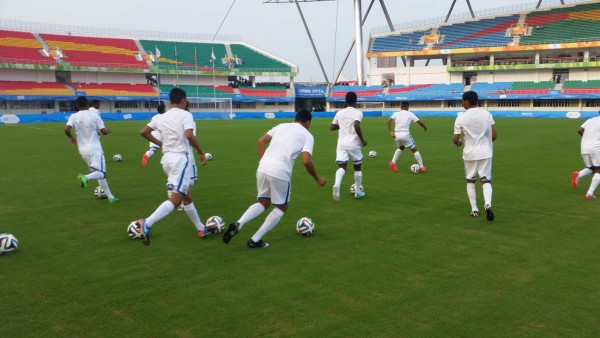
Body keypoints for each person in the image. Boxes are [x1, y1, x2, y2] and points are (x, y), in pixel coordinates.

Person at [222, 108, 326, 248]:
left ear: (296, 118)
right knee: (282, 206)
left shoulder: (280, 126)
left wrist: (263, 162)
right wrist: (317, 178)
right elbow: (306, 161)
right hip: (280, 171)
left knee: (264, 202)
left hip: (263, 167)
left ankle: (239, 223)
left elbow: (260, 141)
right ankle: (255, 239)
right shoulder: (308, 135)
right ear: (308, 122)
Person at [134, 88, 209, 245]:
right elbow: (189, 135)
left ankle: (201, 228)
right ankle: (146, 223)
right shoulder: (186, 115)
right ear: (183, 100)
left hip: (166, 159)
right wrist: (201, 152)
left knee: (186, 195)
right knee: (176, 200)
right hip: (180, 160)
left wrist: (161, 144)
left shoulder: (161, 117)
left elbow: (144, 132)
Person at [64, 96, 118, 204]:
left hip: (82, 150)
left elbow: (66, 129)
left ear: (77, 105)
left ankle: (110, 197)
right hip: (95, 149)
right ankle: (85, 177)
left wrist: (71, 138)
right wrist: (108, 130)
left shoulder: (74, 116)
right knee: (102, 173)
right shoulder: (95, 115)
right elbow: (103, 132)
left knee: (97, 173)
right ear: (88, 104)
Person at [453, 91, 497, 221]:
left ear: (467, 101)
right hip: (486, 152)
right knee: (485, 180)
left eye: (463, 101)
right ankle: (487, 204)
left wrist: (460, 142)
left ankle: (474, 210)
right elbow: (494, 135)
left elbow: (455, 139)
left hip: (470, 153)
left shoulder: (461, 117)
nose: (462, 103)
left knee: (470, 180)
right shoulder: (487, 114)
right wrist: (486, 144)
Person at [330, 91, 368, 200]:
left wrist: (342, 126)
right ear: (355, 101)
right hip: (353, 144)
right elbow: (356, 124)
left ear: (345, 100)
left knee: (342, 167)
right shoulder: (358, 113)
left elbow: (332, 127)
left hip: (341, 144)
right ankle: (358, 192)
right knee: (357, 167)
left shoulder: (339, 113)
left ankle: (337, 184)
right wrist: (362, 140)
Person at [387, 101, 427, 173]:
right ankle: (421, 167)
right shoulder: (410, 114)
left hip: (397, 135)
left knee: (401, 147)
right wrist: (425, 127)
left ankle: (392, 162)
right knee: (414, 150)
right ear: (407, 107)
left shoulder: (396, 113)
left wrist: (391, 131)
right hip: (405, 134)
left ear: (401, 107)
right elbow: (419, 122)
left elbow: (389, 120)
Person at [572, 111, 600, 198]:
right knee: (599, 170)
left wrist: (586, 139)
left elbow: (580, 130)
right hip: (596, 147)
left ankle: (579, 175)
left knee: (591, 168)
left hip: (584, 146)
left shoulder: (590, 120)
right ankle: (589, 193)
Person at [142, 101, 166, 166]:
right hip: (161, 135)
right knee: (169, 148)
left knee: (153, 149)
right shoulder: (166, 117)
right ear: (164, 109)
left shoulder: (154, 117)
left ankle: (147, 155)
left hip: (153, 134)